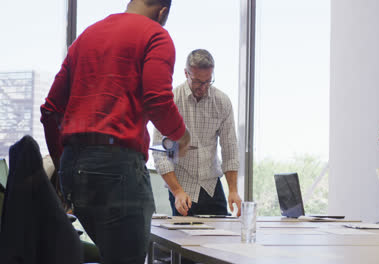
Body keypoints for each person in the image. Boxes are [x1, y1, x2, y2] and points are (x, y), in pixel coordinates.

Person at [40, 1, 190, 263]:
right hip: (117, 169)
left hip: (73, 171)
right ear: (162, 12)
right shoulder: (156, 34)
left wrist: (62, 166)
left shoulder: (86, 36)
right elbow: (157, 99)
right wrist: (182, 135)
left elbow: (50, 110)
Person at [153, 49, 242, 217]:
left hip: (211, 187)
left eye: (208, 81)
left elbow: (230, 149)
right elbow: (161, 153)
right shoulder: (171, 100)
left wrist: (233, 190)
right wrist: (177, 191)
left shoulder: (222, 102)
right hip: (181, 188)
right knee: (183, 241)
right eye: (197, 82)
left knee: (222, 239)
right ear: (186, 73)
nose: (203, 87)